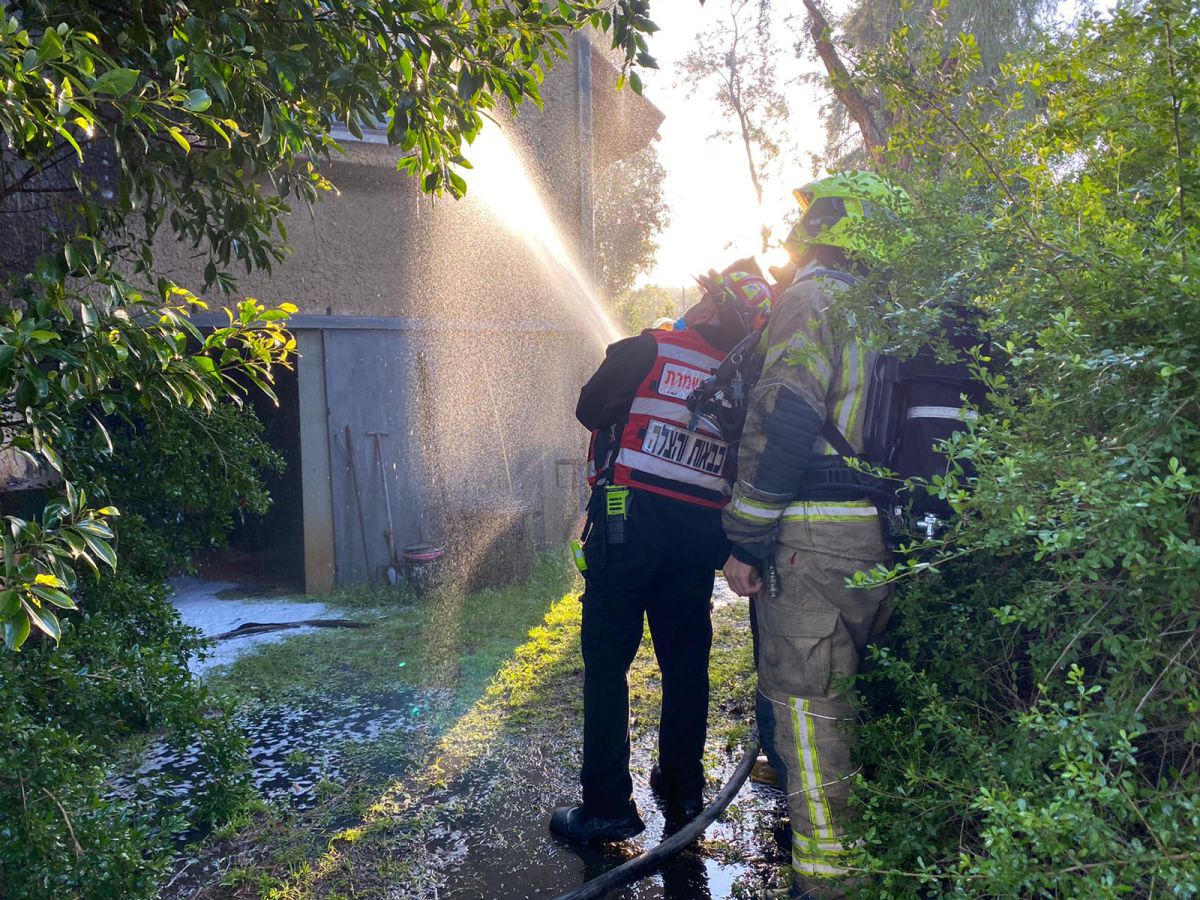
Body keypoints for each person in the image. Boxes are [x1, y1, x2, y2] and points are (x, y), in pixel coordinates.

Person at [721, 173, 909, 898]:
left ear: (817, 231)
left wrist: (744, 536)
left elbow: (787, 417)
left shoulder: (813, 298)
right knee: (861, 715)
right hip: (880, 538)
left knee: (811, 727)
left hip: (813, 545)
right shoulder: (889, 312)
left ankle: (830, 887)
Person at [549, 270, 772, 843]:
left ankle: (606, 807)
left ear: (710, 307)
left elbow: (588, 408)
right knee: (685, 667)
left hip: (628, 530)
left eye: (703, 296)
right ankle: (682, 788)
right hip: (698, 540)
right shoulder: (745, 381)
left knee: (607, 667)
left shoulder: (651, 348)